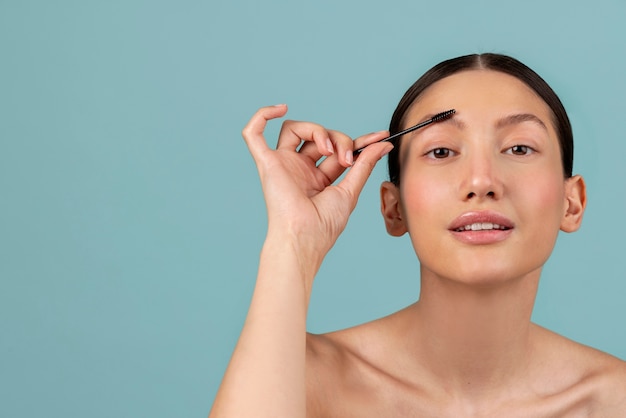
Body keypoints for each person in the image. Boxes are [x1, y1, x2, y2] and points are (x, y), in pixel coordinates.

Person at [210, 53, 626, 417]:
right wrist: (293, 240)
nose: (481, 180)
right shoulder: (301, 380)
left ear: (572, 203)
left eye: (519, 148)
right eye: (441, 151)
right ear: (394, 207)